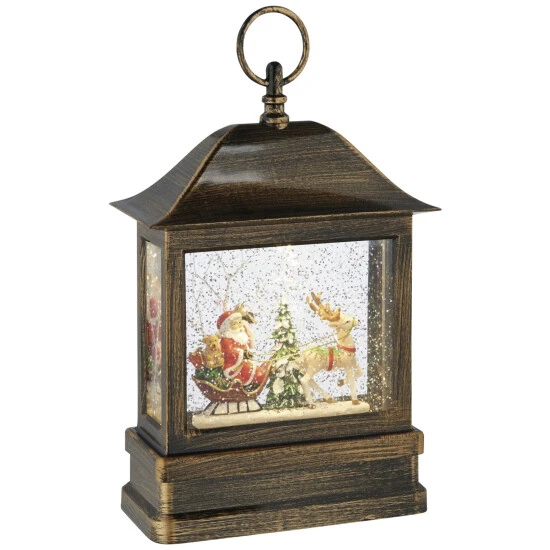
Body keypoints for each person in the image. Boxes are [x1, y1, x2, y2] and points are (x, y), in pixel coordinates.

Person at [217, 310, 267, 387]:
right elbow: (230, 352)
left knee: (252, 368)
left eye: (240, 322)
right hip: (233, 365)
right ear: (228, 328)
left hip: (243, 361)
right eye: (234, 324)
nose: (239, 325)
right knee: (251, 371)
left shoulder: (241, 336)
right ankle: (254, 379)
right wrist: (242, 353)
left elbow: (249, 342)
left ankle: (257, 377)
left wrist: (247, 328)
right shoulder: (226, 339)